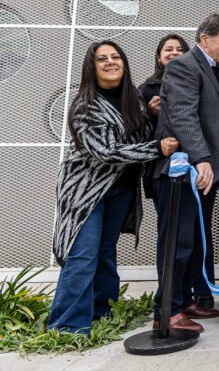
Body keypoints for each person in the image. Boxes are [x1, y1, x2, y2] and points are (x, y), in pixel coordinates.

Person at [49, 41, 178, 335]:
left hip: (120, 189)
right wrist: (157, 148)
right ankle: (67, 326)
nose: (110, 62)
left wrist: (151, 116)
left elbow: (138, 134)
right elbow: (106, 152)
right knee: (82, 254)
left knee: (105, 251)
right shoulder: (85, 105)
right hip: (86, 192)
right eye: (102, 59)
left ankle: (100, 314)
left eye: (115, 56)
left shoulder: (133, 98)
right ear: (91, 68)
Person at [152, 12, 219, 333]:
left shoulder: (217, 71)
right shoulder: (183, 67)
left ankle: (187, 300)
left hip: (206, 174)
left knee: (195, 241)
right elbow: (183, 115)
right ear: (204, 38)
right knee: (178, 242)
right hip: (182, 173)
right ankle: (167, 310)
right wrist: (201, 158)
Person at [138, 34, 190, 202]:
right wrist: (149, 113)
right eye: (168, 49)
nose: (174, 53)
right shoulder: (146, 88)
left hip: (192, 162)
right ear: (159, 57)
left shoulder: (196, 84)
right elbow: (135, 131)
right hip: (159, 166)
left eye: (180, 50)